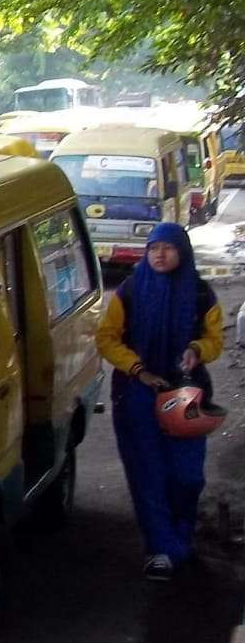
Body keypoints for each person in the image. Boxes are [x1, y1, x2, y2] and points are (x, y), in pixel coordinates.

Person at [96, 222, 226, 581]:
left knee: (186, 476)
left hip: (185, 393)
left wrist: (197, 350)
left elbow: (215, 339)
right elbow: (106, 338)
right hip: (137, 395)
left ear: (181, 252)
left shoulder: (201, 294)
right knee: (148, 473)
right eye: (153, 248)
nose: (159, 254)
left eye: (167, 248)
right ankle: (161, 549)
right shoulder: (130, 291)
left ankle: (180, 539)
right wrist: (138, 370)